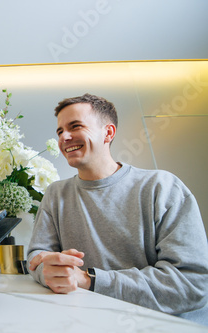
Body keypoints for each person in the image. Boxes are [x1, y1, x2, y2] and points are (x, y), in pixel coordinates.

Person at [27, 93, 208, 326]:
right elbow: (37, 256)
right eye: (60, 131)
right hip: (85, 322)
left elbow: (191, 283)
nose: (65, 137)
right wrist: (48, 271)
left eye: (75, 126)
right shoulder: (55, 194)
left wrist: (89, 279)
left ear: (108, 133)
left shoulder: (163, 188)